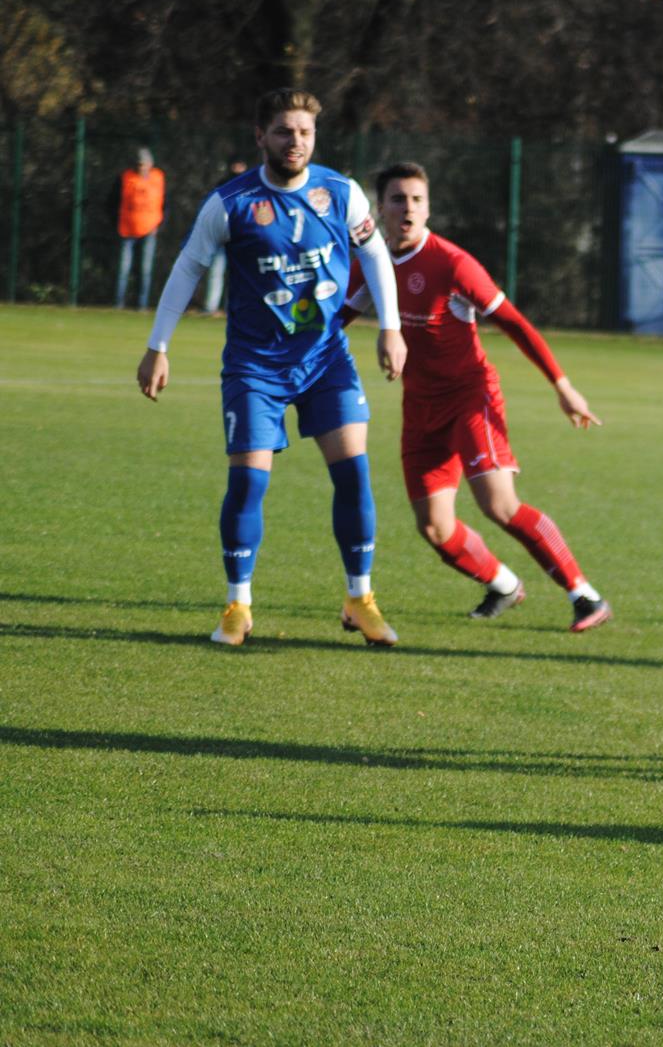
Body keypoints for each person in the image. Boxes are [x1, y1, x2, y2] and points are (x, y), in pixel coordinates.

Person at [135, 88, 405, 648]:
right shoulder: (230, 203)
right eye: (284, 131)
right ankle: (238, 605)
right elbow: (187, 268)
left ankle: (360, 598)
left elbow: (375, 254)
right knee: (248, 485)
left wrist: (391, 328)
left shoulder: (341, 192)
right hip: (255, 368)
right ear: (261, 136)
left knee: (354, 474)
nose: (296, 142)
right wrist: (158, 345)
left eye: (304, 132)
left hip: (325, 359)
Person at [341, 161, 612, 631]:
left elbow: (515, 323)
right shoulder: (370, 264)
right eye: (398, 199)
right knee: (435, 528)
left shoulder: (452, 263)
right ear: (379, 207)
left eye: (418, 200)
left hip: (471, 398)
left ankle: (585, 596)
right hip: (420, 408)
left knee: (499, 505)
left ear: (428, 208)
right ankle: (504, 585)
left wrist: (562, 386)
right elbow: (334, 323)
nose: (408, 208)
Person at [115, 147, 165, 309]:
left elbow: (165, 203)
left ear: (150, 164)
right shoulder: (125, 178)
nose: (142, 167)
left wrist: (159, 224)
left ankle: (142, 305)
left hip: (149, 229)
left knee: (145, 270)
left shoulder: (158, 178)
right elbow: (112, 202)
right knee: (124, 269)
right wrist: (116, 221)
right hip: (127, 229)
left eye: (144, 164)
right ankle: (119, 304)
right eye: (139, 164)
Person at [204, 159, 251, 315]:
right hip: (222, 235)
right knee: (216, 272)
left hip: (240, 237)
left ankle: (235, 308)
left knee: (238, 276)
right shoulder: (223, 185)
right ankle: (211, 307)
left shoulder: (251, 187)